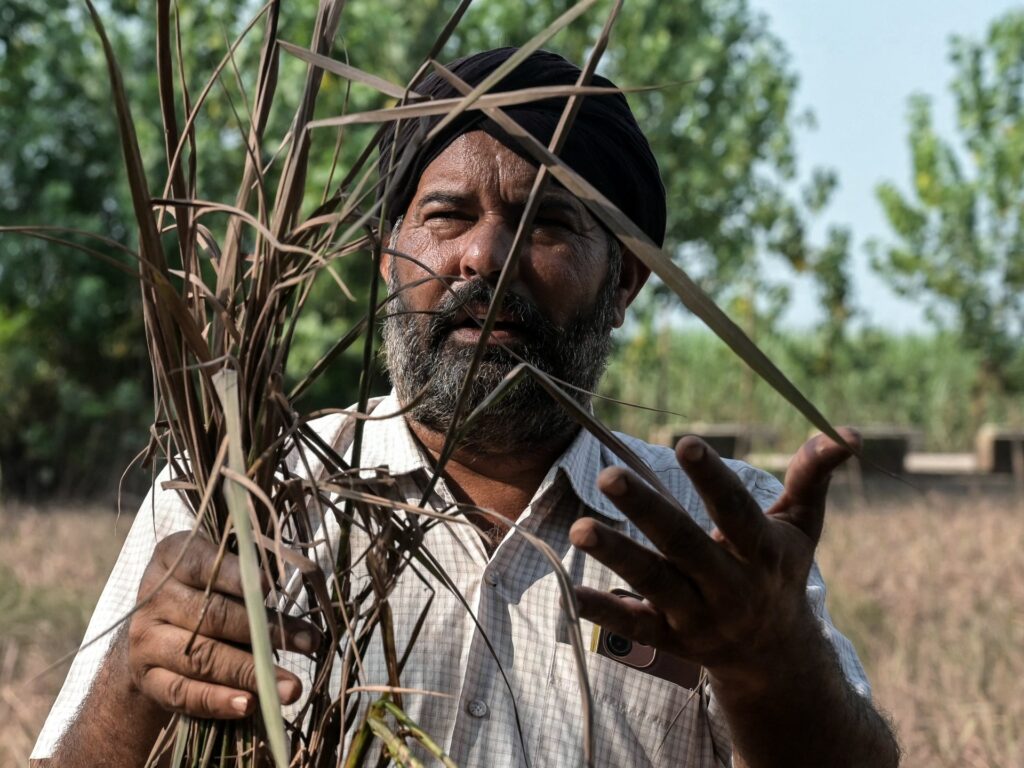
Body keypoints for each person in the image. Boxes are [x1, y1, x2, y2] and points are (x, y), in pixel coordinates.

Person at [32, 48, 899, 767]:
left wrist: (770, 662)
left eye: (548, 223)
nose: (486, 255)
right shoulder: (234, 503)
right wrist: (133, 682)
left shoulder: (716, 542)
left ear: (625, 280)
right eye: (447, 214)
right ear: (385, 256)